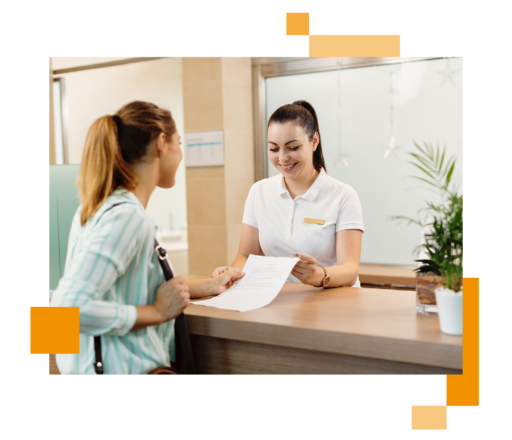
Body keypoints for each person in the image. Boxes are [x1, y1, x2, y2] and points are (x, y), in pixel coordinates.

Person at [50, 101, 243, 405]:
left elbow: (121, 288)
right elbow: (65, 311)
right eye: (179, 143)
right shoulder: (126, 217)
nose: (181, 156)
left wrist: (205, 287)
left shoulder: (97, 209)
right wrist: (155, 312)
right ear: (161, 143)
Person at [212, 100, 364, 288]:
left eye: (293, 148)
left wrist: (319, 276)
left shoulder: (343, 195)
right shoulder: (259, 192)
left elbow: (350, 269)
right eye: (274, 149)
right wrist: (231, 274)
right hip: (279, 302)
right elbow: (245, 256)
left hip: (333, 302)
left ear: (314, 141)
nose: (283, 158)